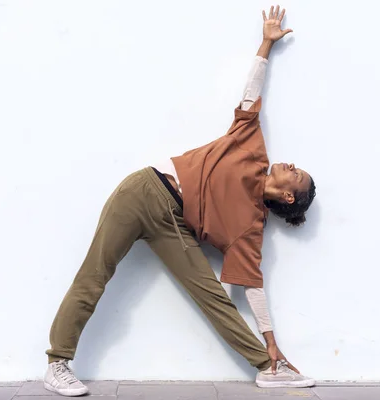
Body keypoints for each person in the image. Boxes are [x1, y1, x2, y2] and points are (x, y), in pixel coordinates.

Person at [43, 5, 317, 396]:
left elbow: (253, 288)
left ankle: (266, 365)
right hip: (143, 192)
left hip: (172, 222)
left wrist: (271, 339)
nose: (290, 164)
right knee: (95, 274)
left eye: (296, 173)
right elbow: (250, 93)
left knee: (212, 296)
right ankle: (58, 363)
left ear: (289, 195)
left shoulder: (249, 229)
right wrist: (266, 43)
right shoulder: (252, 148)